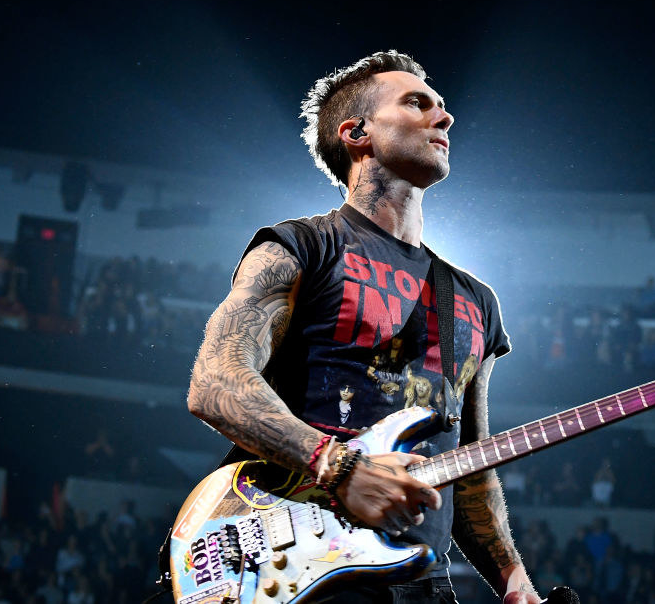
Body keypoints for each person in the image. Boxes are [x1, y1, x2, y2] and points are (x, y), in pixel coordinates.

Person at [187, 51, 539, 603]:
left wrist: (516, 585)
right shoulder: (302, 246)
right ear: (357, 133)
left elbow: (471, 469)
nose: (444, 118)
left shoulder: (477, 301)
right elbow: (217, 383)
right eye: (417, 103)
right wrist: (339, 467)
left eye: (443, 107)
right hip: (294, 564)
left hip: (422, 579)